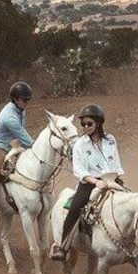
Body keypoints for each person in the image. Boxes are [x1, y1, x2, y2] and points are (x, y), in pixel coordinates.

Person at [49, 104, 124, 261]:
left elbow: (116, 161)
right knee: (75, 207)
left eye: (89, 124)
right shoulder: (79, 145)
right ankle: (63, 246)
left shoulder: (111, 140)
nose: (85, 127)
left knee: (133, 204)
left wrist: (116, 178)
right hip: (90, 182)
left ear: (98, 123)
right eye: (83, 124)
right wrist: (96, 182)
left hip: (112, 179)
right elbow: (80, 170)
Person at [0, 81, 35, 222]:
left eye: (28, 99)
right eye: (24, 99)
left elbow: (21, 134)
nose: (27, 102)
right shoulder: (8, 116)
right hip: (0, 148)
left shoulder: (21, 110)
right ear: (15, 98)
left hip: (14, 145)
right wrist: (35, 147)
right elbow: (22, 134)